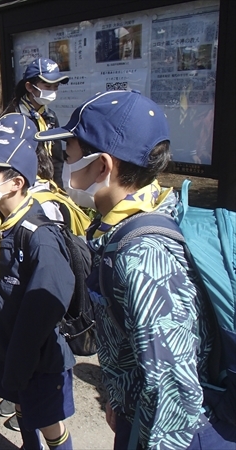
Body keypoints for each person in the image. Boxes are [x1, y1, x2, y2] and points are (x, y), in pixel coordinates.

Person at [35, 89, 236, 449]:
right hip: (138, 411)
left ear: (102, 165)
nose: (63, 159)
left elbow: (172, 387)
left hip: (177, 434)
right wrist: (120, 395)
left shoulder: (143, 256)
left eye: (70, 151)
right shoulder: (144, 211)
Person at [0, 137, 76, 450]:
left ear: (15, 183)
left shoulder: (40, 236)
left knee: (49, 423)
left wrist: (18, 364)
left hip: (39, 357)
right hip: (10, 347)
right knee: (24, 410)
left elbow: (46, 309)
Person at [3, 57, 69, 188]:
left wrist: (59, 189)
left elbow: (57, 158)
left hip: (48, 184)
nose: (52, 91)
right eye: (47, 86)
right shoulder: (13, 116)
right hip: (21, 185)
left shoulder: (50, 116)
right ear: (29, 87)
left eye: (55, 87)